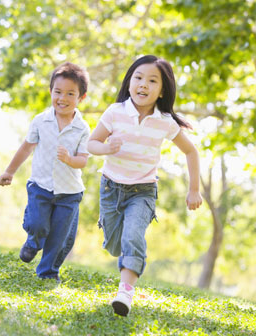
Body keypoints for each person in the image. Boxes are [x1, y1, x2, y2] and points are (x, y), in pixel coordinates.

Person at [87, 55, 203, 316]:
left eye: (152, 81)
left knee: (133, 237)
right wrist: (106, 148)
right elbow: (91, 143)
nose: (143, 84)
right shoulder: (115, 113)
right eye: (138, 78)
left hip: (143, 191)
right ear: (129, 82)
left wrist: (194, 189)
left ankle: (125, 293)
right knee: (115, 245)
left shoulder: (164, 122)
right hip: (111, 188)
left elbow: (191, 152)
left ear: (162, 91)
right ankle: (120, 252)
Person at [0, 62, 90, 282]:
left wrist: (69, 159)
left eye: (70, 94)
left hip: (69, 192)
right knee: (38, 224)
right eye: (58, 92)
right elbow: (26, 147)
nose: (63, 98)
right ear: (51, 92)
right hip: (40, 186)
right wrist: (9, 171)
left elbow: (83, 161)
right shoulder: (41, 121)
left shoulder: (82, 128)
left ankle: (48, 273)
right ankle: (33, 241)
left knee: (58, 237)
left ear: (81, 97)